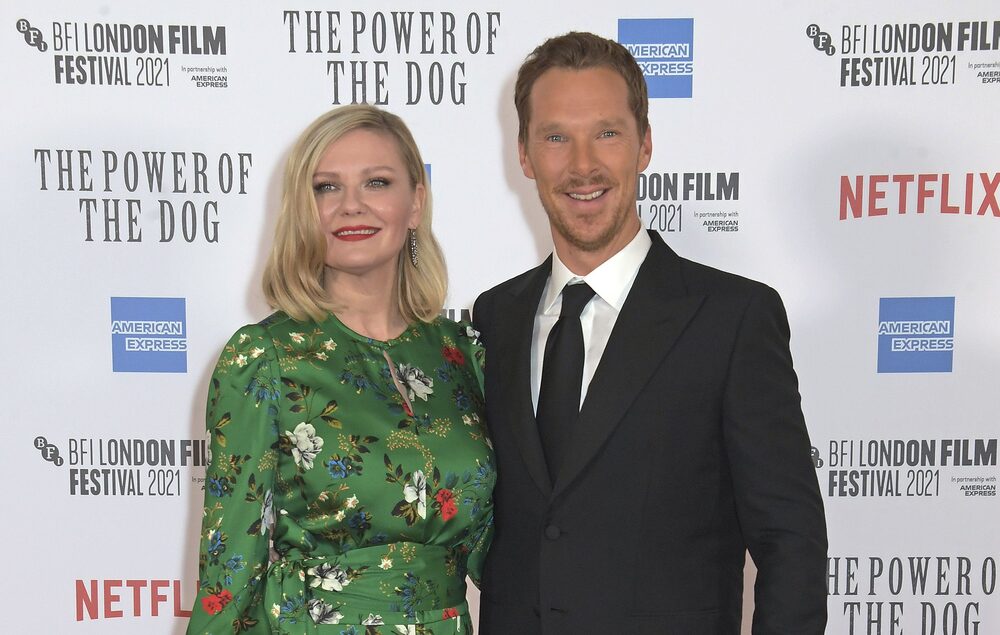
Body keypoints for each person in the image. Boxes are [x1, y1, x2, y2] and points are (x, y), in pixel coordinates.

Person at [473, 32, 827, 633]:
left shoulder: (732, 317)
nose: (582, 164)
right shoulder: (495, 317)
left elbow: (788, 539)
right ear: (525, 156)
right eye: (556, 137)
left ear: (645, 146)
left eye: (606, 133)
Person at [187, 104, 494, 634]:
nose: (351, 206)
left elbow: (504, 547)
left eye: (377, 182)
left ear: (416, 202)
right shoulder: (264, 358)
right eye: (326, 187)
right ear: (303, 210)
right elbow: (228, 572)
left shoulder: (461, 353)